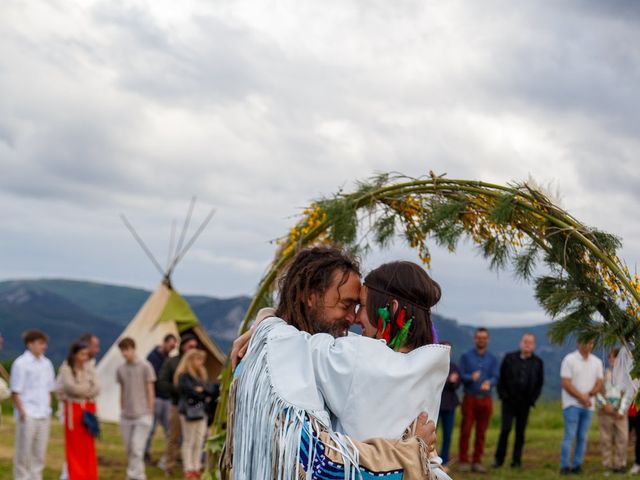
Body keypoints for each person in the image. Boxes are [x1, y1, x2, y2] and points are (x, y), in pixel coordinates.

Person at [228, 249, 448, 479]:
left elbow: (299, 343)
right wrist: (413, 453)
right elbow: (315, 461)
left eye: (359, 306)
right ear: (310, 296)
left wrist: (267, 321)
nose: (353, 318)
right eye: (347, 304)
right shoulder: (273, 367)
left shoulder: (344, 355)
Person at [10, 329, 56, 480]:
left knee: (39, 454)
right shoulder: (21, 364)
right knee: (23, 454)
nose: (44, 346)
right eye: (40, 343)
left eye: (45, 343)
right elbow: (15, 391)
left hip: (43, 414)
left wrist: (48, 409)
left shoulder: (47, 363)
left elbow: (49, 389)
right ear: (30, 344)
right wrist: (23, 412)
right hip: (28, 413)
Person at [493, 333, 544, 469]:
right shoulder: (509, 358)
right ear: (521, 343)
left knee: (520, 433)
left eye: (530, 342)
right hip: (508, 402)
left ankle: (516, 461)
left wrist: (533, 399)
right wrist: (503, 395)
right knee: (505, 430)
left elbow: (539, 383)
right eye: (525, 341)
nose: (527, 344)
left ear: (534, 345)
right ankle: (499, 460)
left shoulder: (538, 362)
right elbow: (501, 379)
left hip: (525, 403)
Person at [57, 340, 101, 480]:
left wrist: (82, 390)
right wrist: (87, 388)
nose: (85, 358)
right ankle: (76, 475)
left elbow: (97, 387)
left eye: (87, 354)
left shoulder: (89, 368)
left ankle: (89, 475)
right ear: (75, 355)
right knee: (75, 446)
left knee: (88, 446)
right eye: (82, 354)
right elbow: (71, 388)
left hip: (88, 409)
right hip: (73, 410)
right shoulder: (66, 368)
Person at [457, 327, 499, 473]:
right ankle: (463, 460)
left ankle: (477, 461)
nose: (481, 340)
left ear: (488, 340)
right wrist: (470, 377)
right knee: (466, 430)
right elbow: (461, 375)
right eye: (479, 337)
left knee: (481, 432)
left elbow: (495, 376)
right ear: (475, 339)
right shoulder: (466, 356)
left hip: (486, 399)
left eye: (484, 338)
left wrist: (490, 382)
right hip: (470, 398)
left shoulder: (492, 358)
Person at [157, 333, 199, 476]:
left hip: (194, 406)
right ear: (184, 346)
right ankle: (169, 466)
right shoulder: (172, 362)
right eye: (190, 346)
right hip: (177, 405)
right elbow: (162, 381)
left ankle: (191, 467)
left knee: (193, 438)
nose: (193, 349)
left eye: (195, 346)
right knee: (173, 437)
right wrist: (177, 391)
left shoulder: (196, 362)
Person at [559, 340, 604, 475]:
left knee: (582, 437)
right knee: (570, 436)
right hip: (571, 404)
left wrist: (589, 395)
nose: (589, 345)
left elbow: (599, 382)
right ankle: (565, 466)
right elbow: (566, 383)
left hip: (588, 406)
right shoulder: (569, 359)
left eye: (591, 343)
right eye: (586, 342)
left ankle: (577, 465)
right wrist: (582, 397)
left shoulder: (597, 362)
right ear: (578, 343)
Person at [116, 337, 156, 480]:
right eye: (122, 350)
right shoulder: (120, 369)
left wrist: (150, 412)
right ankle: (140, 475)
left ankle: (131, 476)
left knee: (137, 449)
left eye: (126, 350)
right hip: (126, 416)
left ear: (133, 348)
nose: (124, 353)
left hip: (143, 414)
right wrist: (122, 408)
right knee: (129, 450)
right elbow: (122, 389)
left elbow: (150, 390)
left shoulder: (146, 366)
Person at [174, 349, 215, 478]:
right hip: (188, 412)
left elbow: (210, 391)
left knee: (199, 440)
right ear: (190, 360)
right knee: (189, 440)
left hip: (201, 412)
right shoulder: (184, 376)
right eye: (198, 359)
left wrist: (201, 391)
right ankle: (188, 467)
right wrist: (202, 392)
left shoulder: (200, 376)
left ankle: (196, 466)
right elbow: (190, 392)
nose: (201, 363)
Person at [596, 348, 631, 474]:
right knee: (606, 439)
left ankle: (620, 464)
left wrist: (621, 410)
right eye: (611, 358)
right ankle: (608, 466)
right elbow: (596, 391)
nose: (613, 360)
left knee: (622, 438)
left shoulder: (626, 377)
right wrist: (604, 405)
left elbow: (628, 393)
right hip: (605, 411)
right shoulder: (603, 374)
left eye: (615, 358)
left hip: (620, 413)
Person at [144, 333, 178, 464]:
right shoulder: (152, 357)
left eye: (173, 346)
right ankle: (145, 453)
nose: (172, 348)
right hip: (155, 398)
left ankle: (169, 455)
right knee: (150, 429)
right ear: (164, 342)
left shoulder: (168, 359)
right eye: (171, 345)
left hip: (166, 398)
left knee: (169, 430)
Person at [438, 340, 461, 469]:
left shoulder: (454, 367)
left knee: (448, 434)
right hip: (436, 405)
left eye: (449, 350)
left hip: (450, 405)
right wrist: (449, 381)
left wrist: (452, 383)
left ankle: (445, 459)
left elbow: (457, 385)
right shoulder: (434, 366)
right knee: (431, 434)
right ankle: (430, 458)